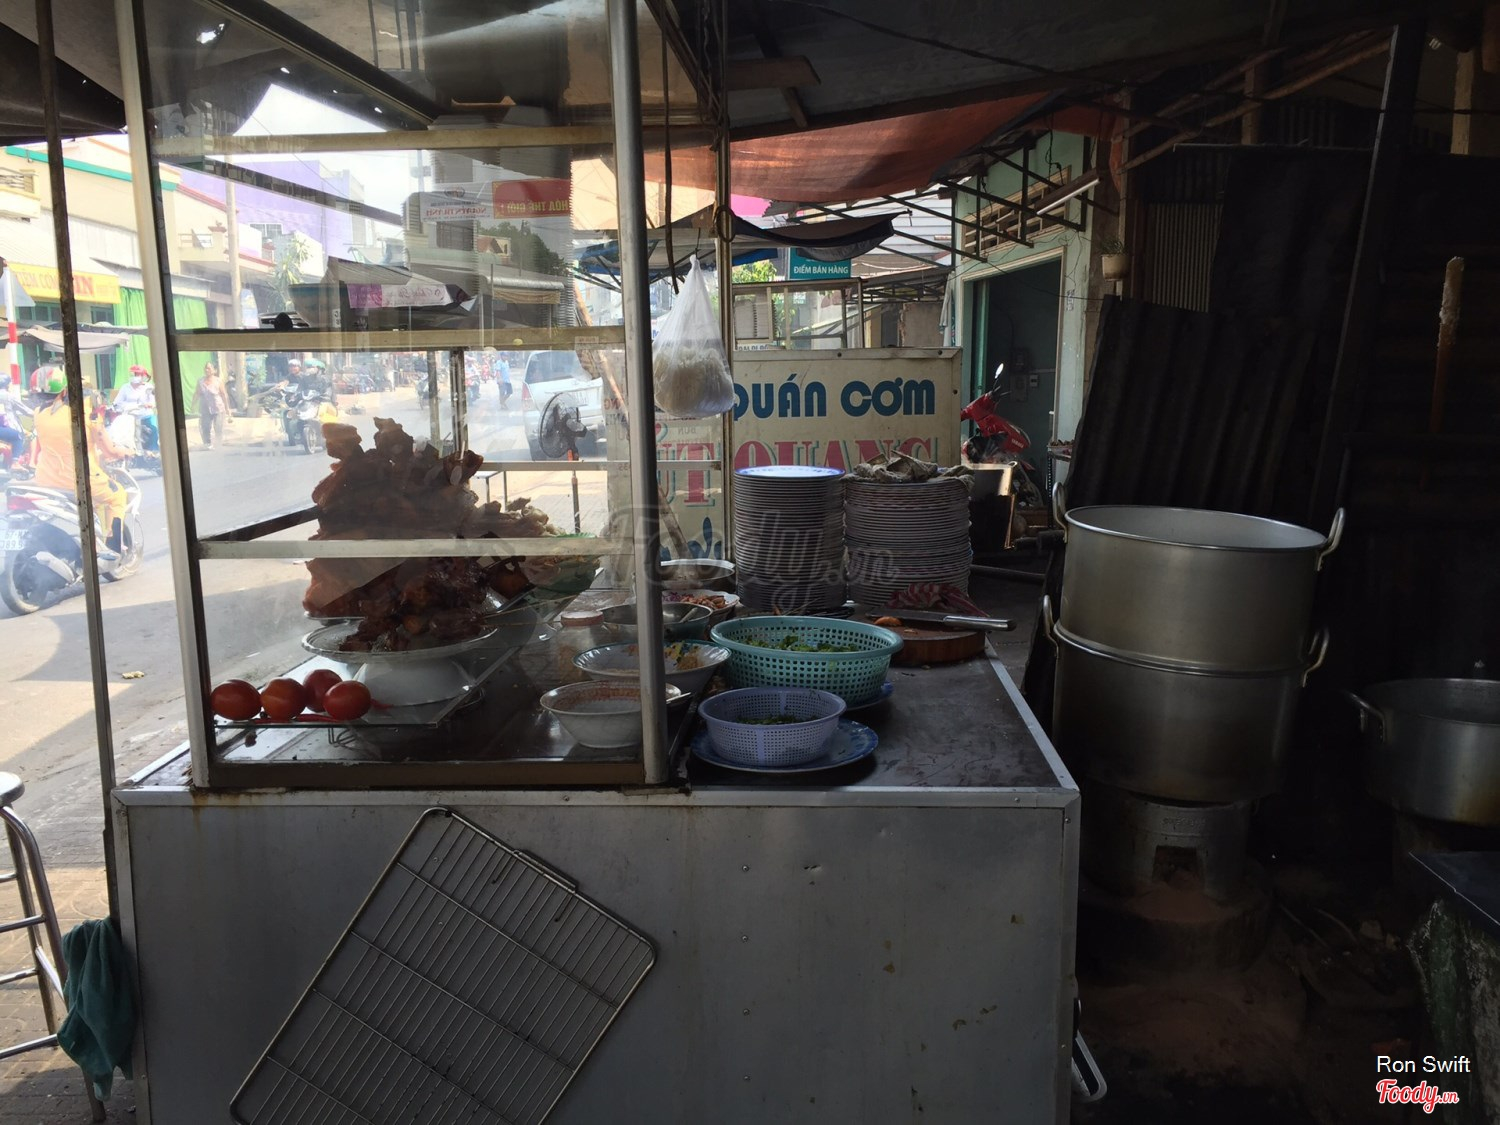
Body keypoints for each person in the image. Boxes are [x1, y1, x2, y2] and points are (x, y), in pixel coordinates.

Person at [31, 370, 131, 557]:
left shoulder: (37, 414)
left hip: (46, 480)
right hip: (81, 480)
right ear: (64, 391)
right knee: (117, 496)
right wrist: (127, 452)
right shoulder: (86, 414)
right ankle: (114, 549)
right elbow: (109, 451)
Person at [111, 365, 159, 452]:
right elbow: (117, 403)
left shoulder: (149, 387)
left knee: (153, 430)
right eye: (134, 374)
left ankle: (152, 452)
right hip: (129, 418)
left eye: (138, 374)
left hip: (146, 417)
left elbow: (154, 401)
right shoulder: (125, 387)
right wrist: (134, 406)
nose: (135, 376)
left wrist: (150, 404)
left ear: (144, 376)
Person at [192, 361, 229, 449]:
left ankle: (218, 445)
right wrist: (193, 405)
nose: (206, 370)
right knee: (205, 427)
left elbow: (223, 394)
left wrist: (227, 408)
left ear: (214, 370)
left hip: (218, 408)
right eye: (206, 368)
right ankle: (207, 444)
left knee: (218, 427)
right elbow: (197, 393)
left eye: (209, 368)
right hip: (205, 409)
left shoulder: (218, 381)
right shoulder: (201, 381)